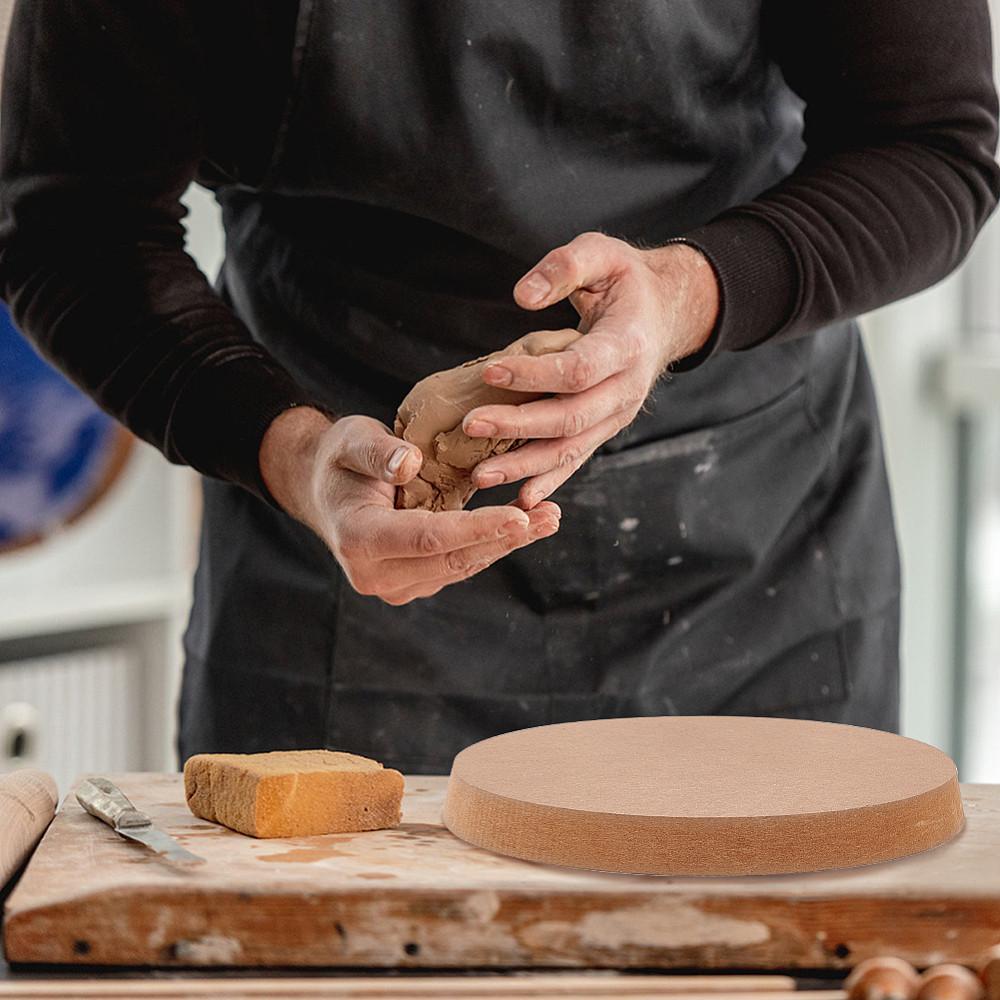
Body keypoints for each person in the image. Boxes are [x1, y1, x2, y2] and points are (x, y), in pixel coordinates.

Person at [1, 2, 997, 774]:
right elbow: (70, 228)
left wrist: (685, 292)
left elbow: (931, 143)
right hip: (344, 566)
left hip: (758, 554)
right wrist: (294, 455)